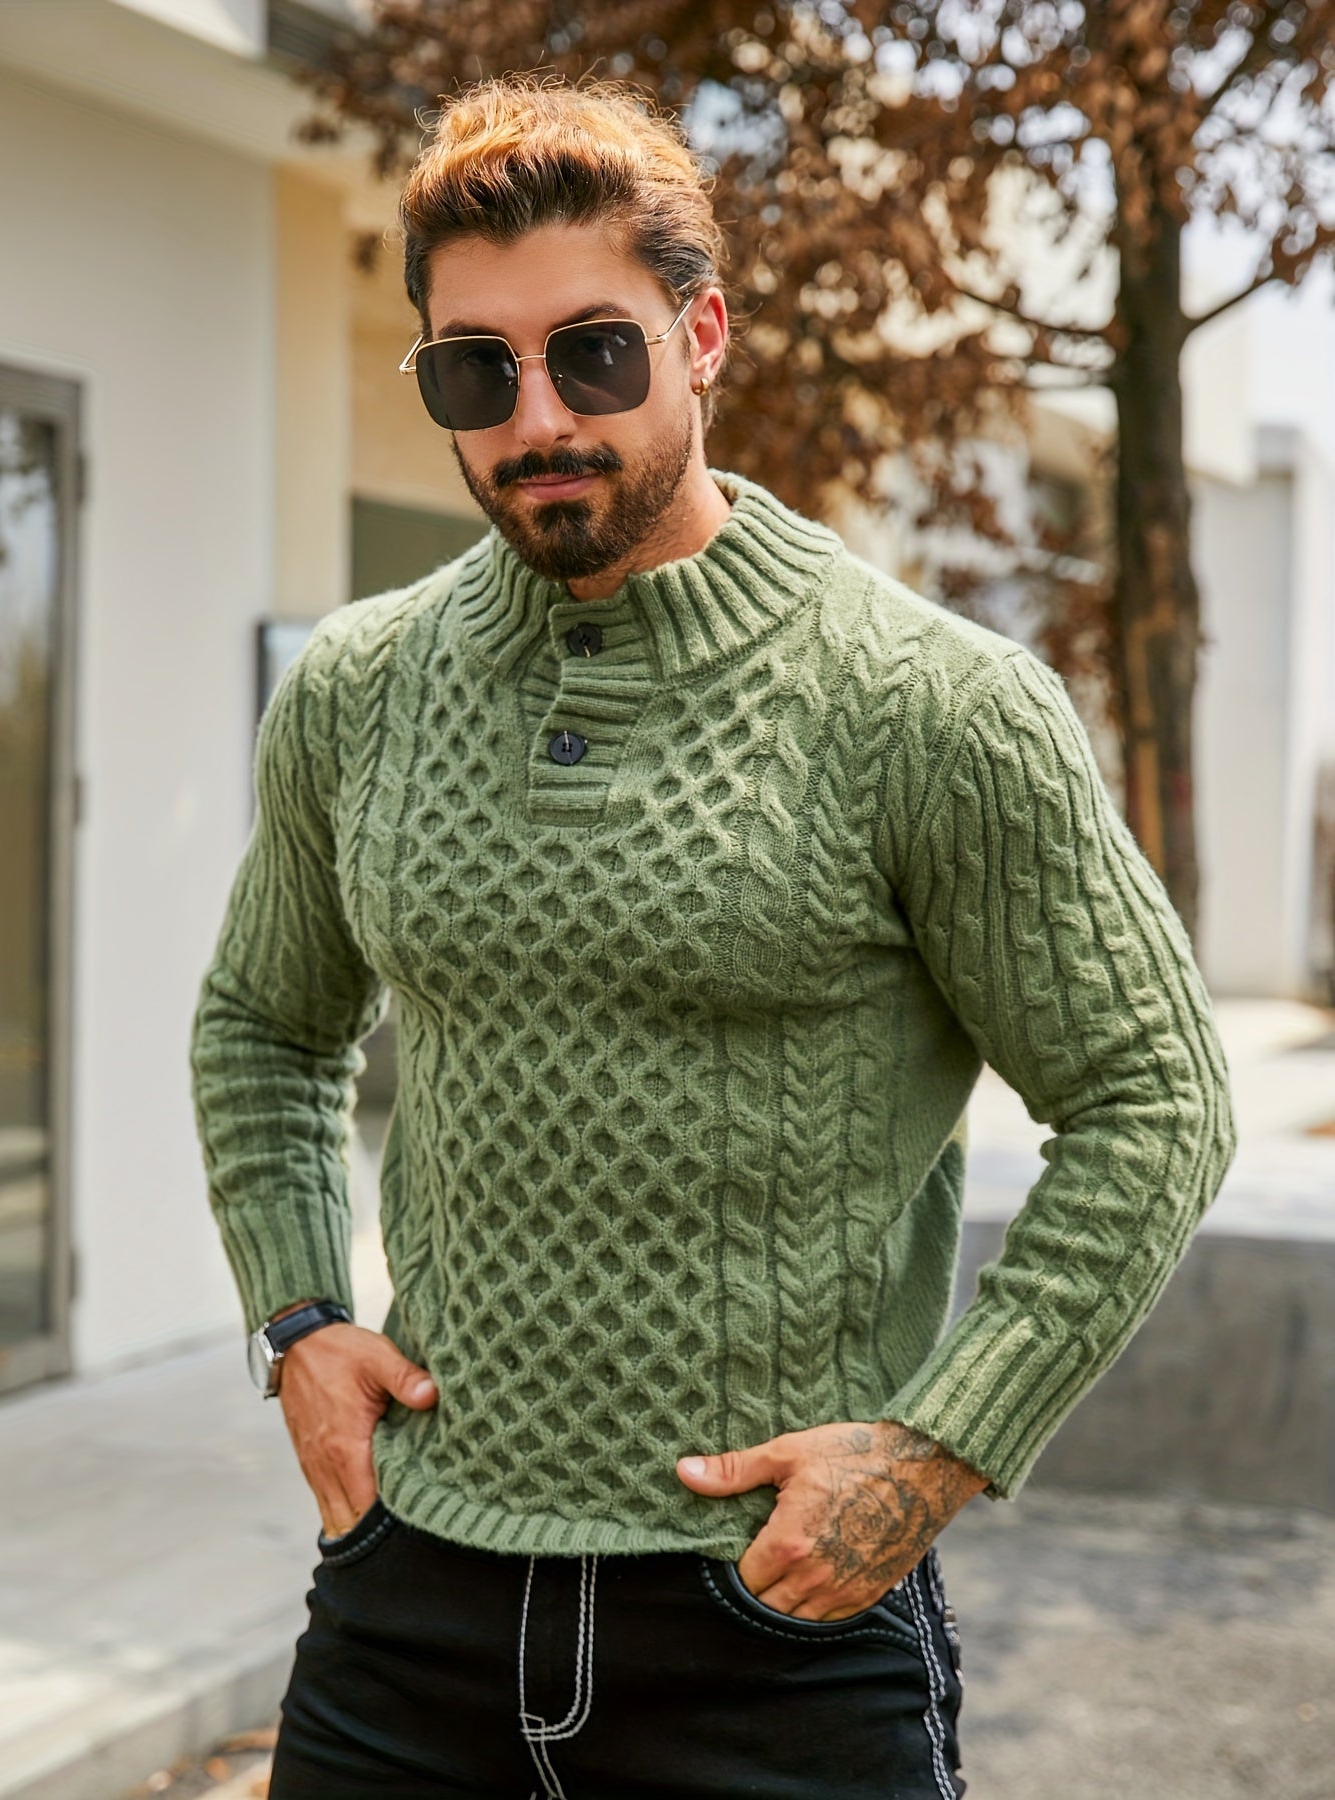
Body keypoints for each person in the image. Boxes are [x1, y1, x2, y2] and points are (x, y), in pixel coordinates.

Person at [190, 75, 1236, 1800]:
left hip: (777, 1632)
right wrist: (297, 1320)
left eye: (593, 353)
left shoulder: (931, 705)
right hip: (410, 1606)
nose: (538, 416)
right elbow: (264, 1026)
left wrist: (936, 1448)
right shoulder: (358, 690)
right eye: (475, 372)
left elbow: (1155, 1097)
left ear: (701, 336)